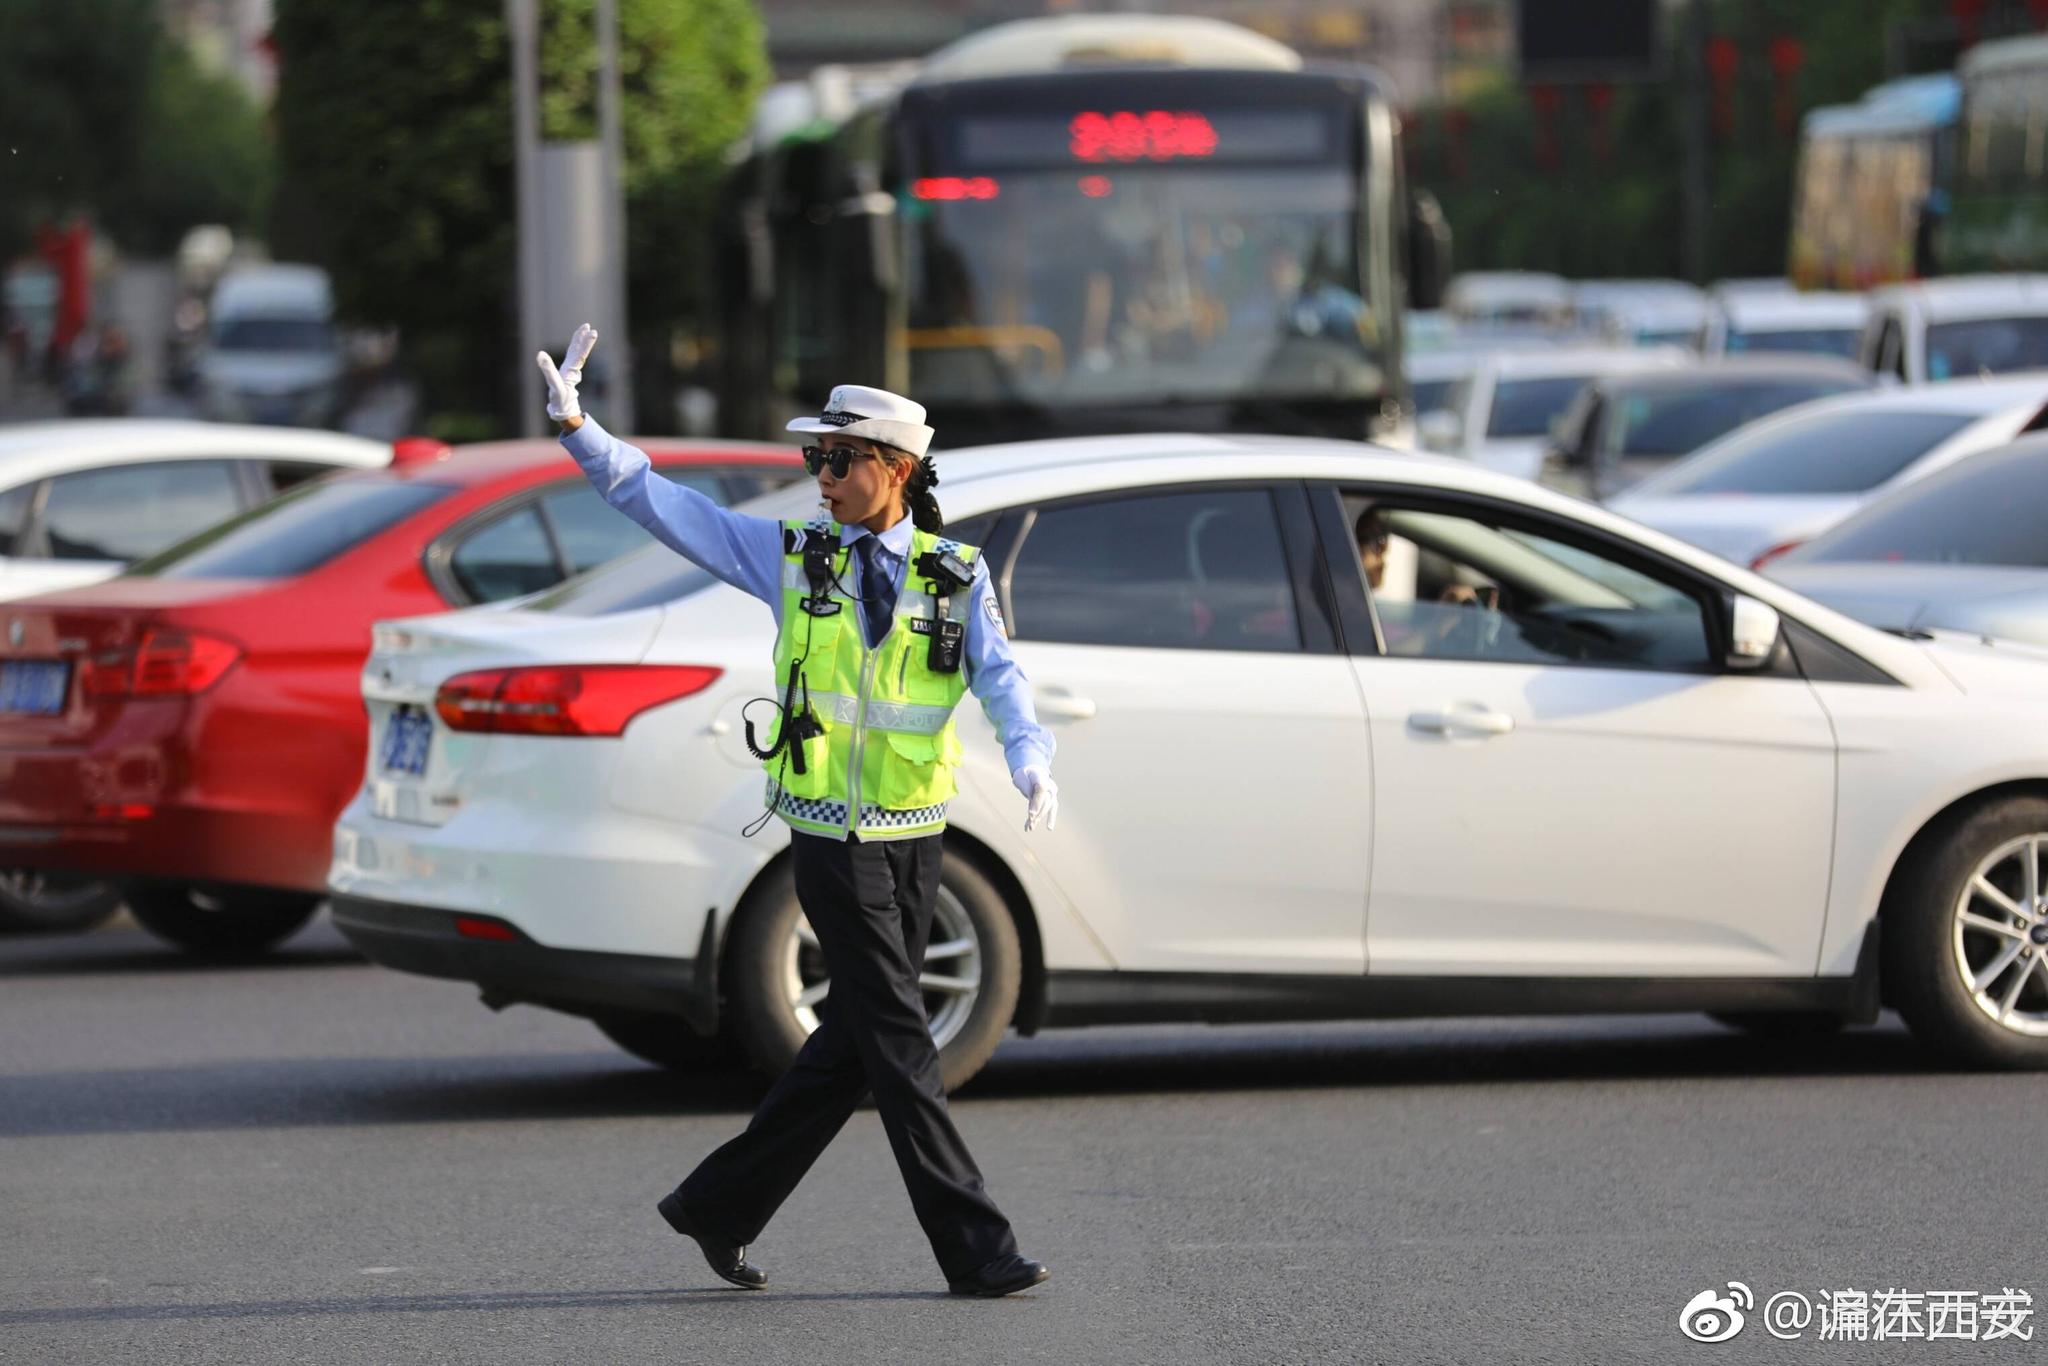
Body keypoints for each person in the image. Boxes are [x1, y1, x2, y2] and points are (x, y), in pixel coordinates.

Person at [537, 325, 1058, 1299]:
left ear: (895, 468)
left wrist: (1032, 755)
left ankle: (718, 1205)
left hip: (916, 834)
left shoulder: (953, 573)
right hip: (828, 838)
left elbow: (999, 677)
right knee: (901, 1040)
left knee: (854, 1045)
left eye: (838, 458)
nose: (819, 474)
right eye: (814, 457)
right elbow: (665, 507)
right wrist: (580, 431)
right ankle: (976, 1248)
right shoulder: (789, 555)